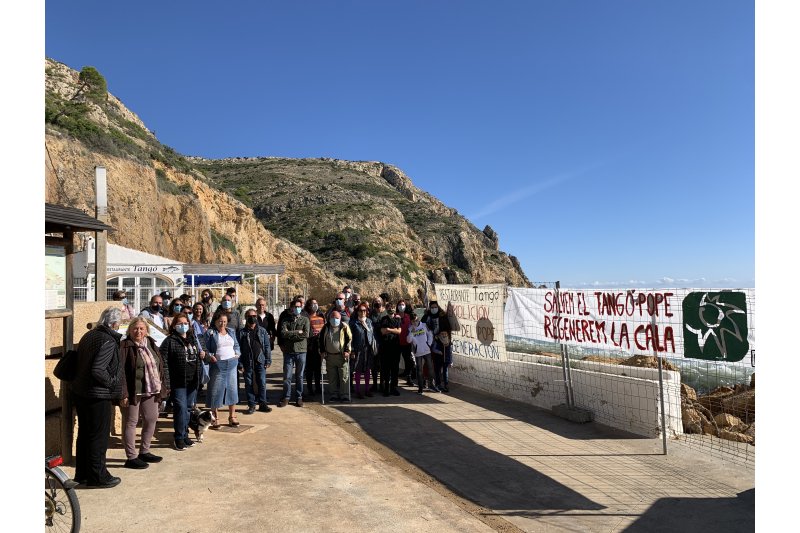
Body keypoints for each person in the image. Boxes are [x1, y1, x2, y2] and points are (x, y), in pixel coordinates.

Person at [71, 307, 124, 488]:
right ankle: (98, 476)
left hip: (82, 393)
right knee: (98, 438)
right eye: (120, 323)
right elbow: (98, 369)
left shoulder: (90, 335)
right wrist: (112, 383)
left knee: (85, 435)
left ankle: (82, 474)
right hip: (97, 395)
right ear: (115, 324)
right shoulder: (108, 340)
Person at [119, 317, 170, 467]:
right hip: (133, 391)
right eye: (135, 328)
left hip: (151, 389)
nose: (138, 331)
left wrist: (163, 387)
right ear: (129, 330)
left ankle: (144, 451)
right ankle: (131, 457)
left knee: (151, 418)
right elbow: (120, 371)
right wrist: (123, 393)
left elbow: (159, 365)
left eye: (141, 328)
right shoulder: (124, 346)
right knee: (131, 422)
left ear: (146, 330)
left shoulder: (151, 343)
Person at [160, 313, 205, 449]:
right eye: (180, 323)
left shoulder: (192, 339)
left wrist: (203, 355)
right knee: (180, 408)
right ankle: (179, 437)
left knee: (188, 409)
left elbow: (199, 355)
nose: (183, 326)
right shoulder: (169, 341)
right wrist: (167, 382)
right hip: (178, 381)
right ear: (174, 326)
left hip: (192, 381)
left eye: (185, 323)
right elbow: (163, 362)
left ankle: (185, 435)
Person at [204, 313, 241, 427]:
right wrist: (211, 356)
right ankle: (215, 417)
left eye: (225, 322)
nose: (222, 324)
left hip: (232, 364)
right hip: (217, 365)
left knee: (232, 389)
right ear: (215, 321)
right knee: (216, 390)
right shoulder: (210, 333)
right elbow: (205, 348)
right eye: (220, 321)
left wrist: (237, 353)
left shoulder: (231, 331)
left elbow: (236, 345)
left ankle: (232, 416)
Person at [239, 308, 272, 414]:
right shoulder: (241, 332)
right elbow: (237, 348)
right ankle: (251, 405)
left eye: (254, 316)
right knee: (248, 384)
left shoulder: (262, 331)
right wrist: (240, 363)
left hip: (260, 361)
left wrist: (268, 360)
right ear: (246, 318)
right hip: (247, 362)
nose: (252, 318)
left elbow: (267, 346)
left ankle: (263, 404)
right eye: (249, 316)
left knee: (262, 382)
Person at [279, 297, 310, 407]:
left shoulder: (305, 320)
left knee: (299, 376)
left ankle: (299, 397)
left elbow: (306, 334)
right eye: (295, 307)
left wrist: (291, 333)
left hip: (301, 351)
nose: (297, 308)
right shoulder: (285, 320)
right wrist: (297, 332)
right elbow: (283, 333)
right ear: (291, 308)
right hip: (289, 351)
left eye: (299, 307)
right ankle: (286, 397)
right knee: (287, 376)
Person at [319, 310, 352, 402]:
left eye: (337, 318)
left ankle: (344, 395)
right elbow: (321, 340)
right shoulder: (326, 327)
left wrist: (347, 351)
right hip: (329, 356)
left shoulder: (344, 327)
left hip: (342, 356)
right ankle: (333, 394)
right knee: (332, 377)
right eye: (333, 318)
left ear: (340, 318)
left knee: (344, 376)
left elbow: (349, 339)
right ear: (329, 318)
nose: (334, 320)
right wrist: (322, 351)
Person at [423, 300, 453, 393]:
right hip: (431, 344)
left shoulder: (442, 316)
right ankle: (436, 383)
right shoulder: (426, 316)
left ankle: (446, 384)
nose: (434, 309)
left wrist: (445, 338)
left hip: (443, 344)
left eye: (435, 307)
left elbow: (448, 328)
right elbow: (421, 326)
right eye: (432, 307)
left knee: (444, 366)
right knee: (435, 366)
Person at [350, 303, 376, 399]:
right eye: (361, 310)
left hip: (368, 349)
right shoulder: (353, 323)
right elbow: (350, 338)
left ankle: (366, 389)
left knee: (367, 370)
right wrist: (352, 350)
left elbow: (372, 334)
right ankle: (357, 390)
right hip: (358, 350)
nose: (363, 312)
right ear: (357, 312)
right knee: (357, 370)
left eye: (365, 310)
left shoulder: (369, 321)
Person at [407, 313, 437, 393]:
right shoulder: (410, 328)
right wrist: (411, 332)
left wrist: (429, 344)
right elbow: (409, 340)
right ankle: (420, 388)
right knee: (419, 370)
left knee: (430, 368)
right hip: (418, 352)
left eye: (416, 320)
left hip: (427, 350)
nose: (415, 322)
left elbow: (430, 334)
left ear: (418, 319)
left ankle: (432, 385)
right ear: (411, 321)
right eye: (413, 321)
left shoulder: (424, 325)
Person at [379, 304, 403, 397]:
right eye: (389, 308)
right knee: (386, 369)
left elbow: (399, 331)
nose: (391, 309)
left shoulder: (397, 319)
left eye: (392, 308)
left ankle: (393, 388)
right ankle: (386, 388)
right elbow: (382, 331)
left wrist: (388, 329)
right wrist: (393, 329)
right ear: (386, 309)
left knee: (395, 369)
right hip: (385, 348)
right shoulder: (383, 319)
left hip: (395, 347)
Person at [304, 298, 326, 398]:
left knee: (318, 368)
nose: (315, 305)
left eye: (316, 303)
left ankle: (318, 387)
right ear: (309, 306)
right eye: (313, 303)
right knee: (309, 369)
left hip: (319, 344)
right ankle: (309, 388)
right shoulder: (306, 317)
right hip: (310, 345)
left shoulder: (321, 316)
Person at [369, 297, 388, 393]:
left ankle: (382, 384)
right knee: (374, 365)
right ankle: (375, 384)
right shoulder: (371, 313)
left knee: (383, 364)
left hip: (384, 342)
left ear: (382, 302)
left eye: (379, 301)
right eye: (375, 302)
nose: (377, 303)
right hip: (374, 342)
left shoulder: (386, 312)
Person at [397, 299, 415, 387]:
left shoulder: (408, 316)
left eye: (403, 304)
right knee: (395, 361)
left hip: (407, 343)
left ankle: (409, 378)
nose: (401, 306)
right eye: (400, 304)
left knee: (408, 361)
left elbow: (414, 326)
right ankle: (394, 380)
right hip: (396, 343)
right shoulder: (395, 316)